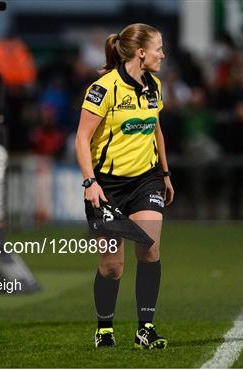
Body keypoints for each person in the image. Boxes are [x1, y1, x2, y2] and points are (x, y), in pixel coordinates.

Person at [74, 23, 174, 349]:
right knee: (112, 266)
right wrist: (90, 183)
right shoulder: (103, 89)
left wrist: (166, 173)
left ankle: (146, 328)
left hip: (146, 180)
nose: (163, 54)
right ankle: (104, 328)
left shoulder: (154, 85)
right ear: (141, 52)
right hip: (107, 187)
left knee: (149, 249)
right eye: (158, 48)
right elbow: (82, 138)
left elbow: (156, 130)